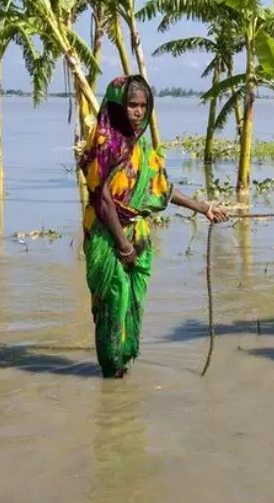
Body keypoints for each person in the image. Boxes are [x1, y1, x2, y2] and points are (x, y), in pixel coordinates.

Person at [78, 75, 229, 378]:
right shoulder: (106, 144)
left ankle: (124, 369)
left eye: (143, 106)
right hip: (108, 235)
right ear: (118, 105)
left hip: (138, 233)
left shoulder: (143, 145)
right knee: (114, 298)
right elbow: (104, 199)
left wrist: (204, 208)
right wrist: (123, 246)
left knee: (135, 301)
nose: (138, 112)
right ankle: (110, 373)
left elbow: (162, 190)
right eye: (132, 105)